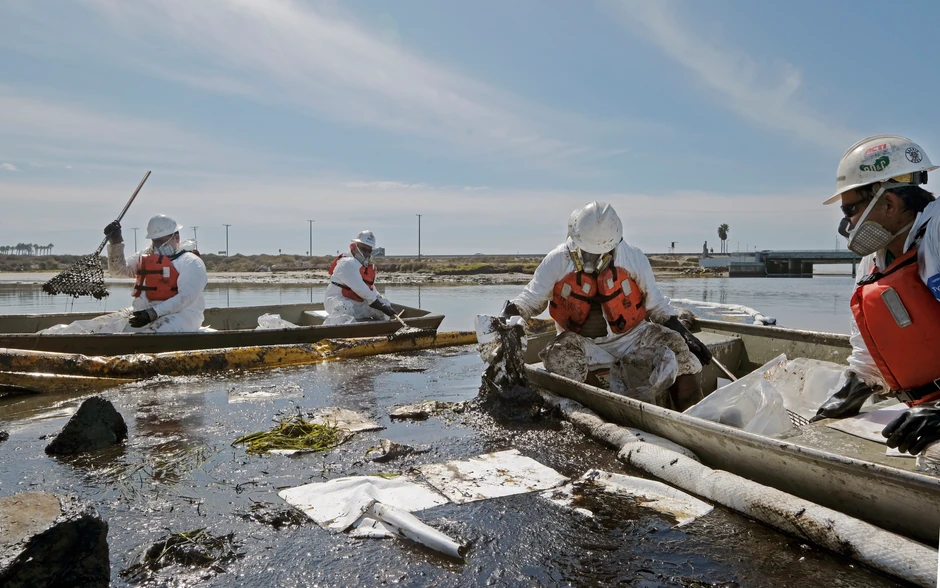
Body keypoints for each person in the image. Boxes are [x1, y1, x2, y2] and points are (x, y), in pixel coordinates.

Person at [498, 201, 712, 410]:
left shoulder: (633, 258)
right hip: (584, 344)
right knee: (558, 354)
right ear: (574, 238)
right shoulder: (557, 260)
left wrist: (684, 334)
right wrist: (508, 314)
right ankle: (606, 407)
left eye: (599, 252)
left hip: (633, 338)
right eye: (587, 251)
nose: (592, 258)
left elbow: (657, 306)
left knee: (676, 345)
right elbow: (529, 300)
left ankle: (691, 410)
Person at [813, 135, 940, 456]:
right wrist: (856, 387)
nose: (847, 223)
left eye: (851, 210)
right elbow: (870, 349)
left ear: (888, 204)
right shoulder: (874, 260)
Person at [103, 214, 207, 332]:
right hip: (144, 313)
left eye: (162, 241)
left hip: (183, 316)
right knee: (106, 327)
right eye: (155, 241)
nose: (157, 246)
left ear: (176, 237)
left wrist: (153, 313)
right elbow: (118, 272)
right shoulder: (145, 256)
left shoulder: (191, 262)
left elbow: (186, 297)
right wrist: (116, 243)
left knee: (154, 332)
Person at [324, 230, 397, 325]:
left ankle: (384, 329)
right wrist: (380, 305)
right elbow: (362, 290)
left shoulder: (365, 267)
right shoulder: (346, 264)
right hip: (339, 300)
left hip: (359, 303)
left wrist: (383, 303)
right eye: (363, 249)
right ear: (354, 247)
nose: (366, 253)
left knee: (385, 303)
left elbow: (370, 289)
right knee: (344, 306)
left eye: (369, 250)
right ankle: (337, 331)